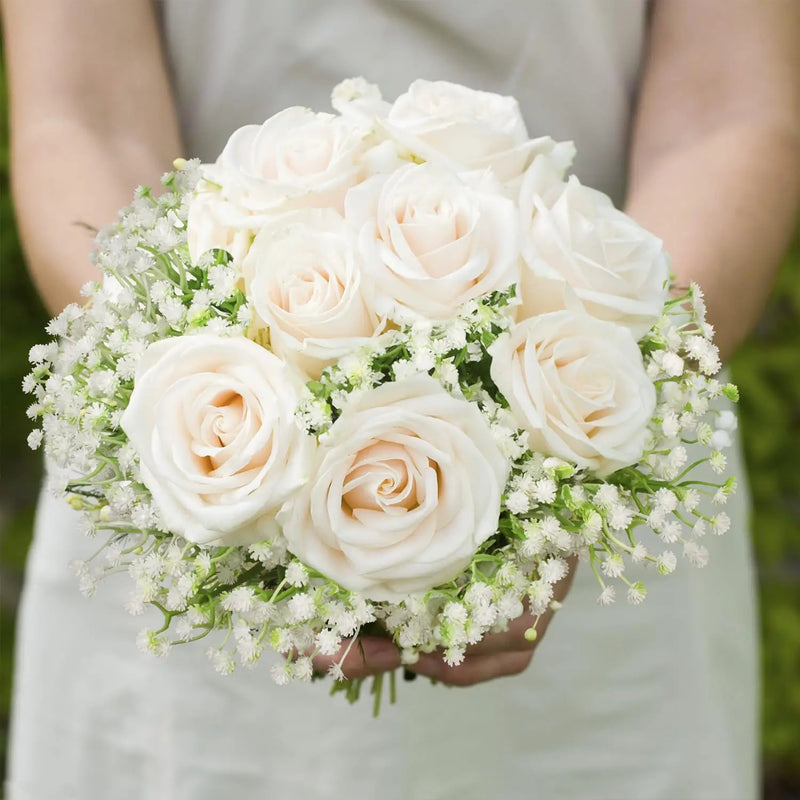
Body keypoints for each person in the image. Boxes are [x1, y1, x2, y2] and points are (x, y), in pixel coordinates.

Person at [3, 1, 799, 798]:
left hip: (589, 466)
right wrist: (183, 398)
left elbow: (723, 112)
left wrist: (569, 458)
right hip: (202, 457)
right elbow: (84, 116)